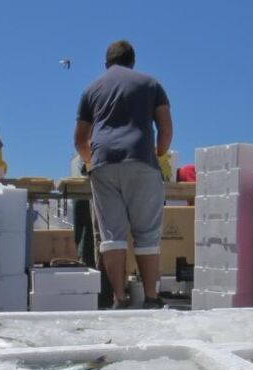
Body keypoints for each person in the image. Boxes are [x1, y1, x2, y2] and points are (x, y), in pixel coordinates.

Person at [74, 40, 174, 310]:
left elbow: (80, 140)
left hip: (103, 164)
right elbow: (165, 129)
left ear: (106, 63)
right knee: (146, 233)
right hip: (141, 159)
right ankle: (151, 297)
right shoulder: (151, 84)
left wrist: (89, 162)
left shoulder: (91, 89)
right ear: (133, 61)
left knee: (112, 235)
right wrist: (160, 154)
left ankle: (120, 297)